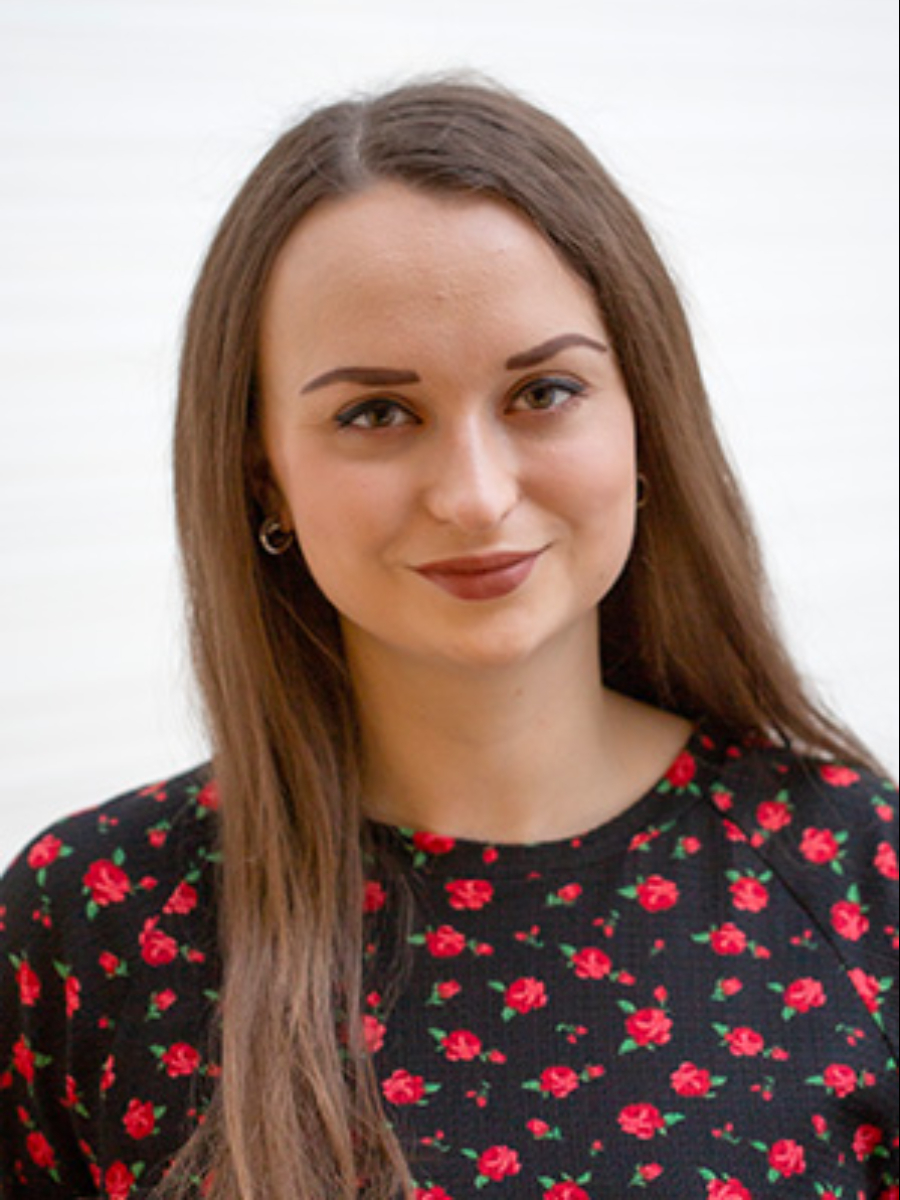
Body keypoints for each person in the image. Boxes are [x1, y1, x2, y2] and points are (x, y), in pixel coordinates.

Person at [0, 77, 897, 1200]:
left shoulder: (862, 877)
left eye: (545, 391)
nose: (474, 496)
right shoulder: (88, 921)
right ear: (262, 474)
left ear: (644, 419)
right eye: (377, 414)